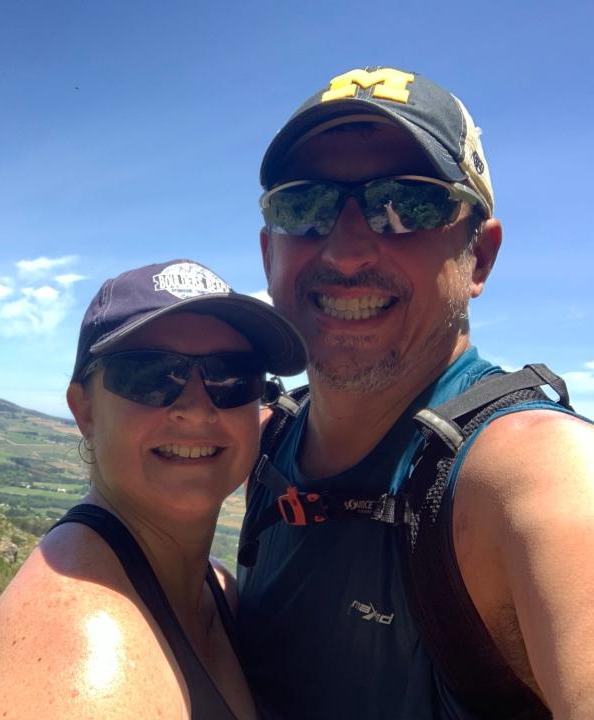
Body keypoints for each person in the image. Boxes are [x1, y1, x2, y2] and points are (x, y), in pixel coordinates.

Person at [236, 66, 594, 719]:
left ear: (478, 258)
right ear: (269, 254)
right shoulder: (263, 441)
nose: (344, 252)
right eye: (305, 205)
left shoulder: (530, 473)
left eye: (408, 204)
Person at [0, 259, 306, 720]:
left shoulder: (216, 588)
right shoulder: (83, 657)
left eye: (232, 376)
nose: (196, 410)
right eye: (151, 376)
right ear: (85, 411)